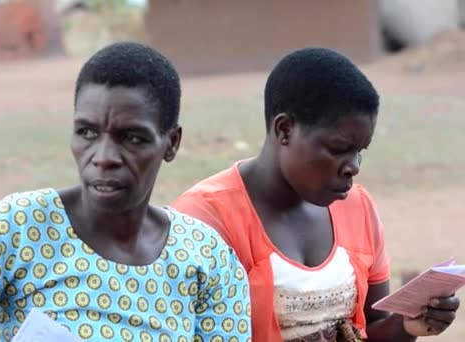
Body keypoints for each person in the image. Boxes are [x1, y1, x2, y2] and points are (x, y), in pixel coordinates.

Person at [0, 42, 252, 342]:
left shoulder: (206, 259)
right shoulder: (18, 229)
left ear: (171, 143)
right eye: (87, 133)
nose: (103, 157)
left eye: (131, 138)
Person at [172, 47, 460, 341]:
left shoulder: (358, 208)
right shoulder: (203, 222)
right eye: (338, 149)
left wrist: (405, 325)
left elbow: (370, 326)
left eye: (360, 151)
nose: (353, 167)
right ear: (285, 130)